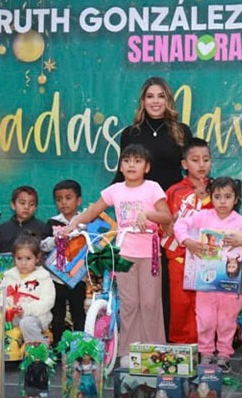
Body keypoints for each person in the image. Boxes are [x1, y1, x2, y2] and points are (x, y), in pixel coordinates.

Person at [63, 144, 173, 365]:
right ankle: (128, 352)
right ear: (121, 167)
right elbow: (93, 211)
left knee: (149, 303)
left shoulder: (152, 188)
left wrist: (147, 214)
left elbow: (166, 216)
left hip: (149, 256)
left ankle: (154, 352)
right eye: (127, 161)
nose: (132, 165)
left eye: (137, 161)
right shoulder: (115, 190)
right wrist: (73, 223)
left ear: (146, 167)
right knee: (129, 304)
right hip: (124, 255)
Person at [114, 77, 193, 336]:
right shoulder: (131, 133)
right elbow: (121, 175)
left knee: (171, 275)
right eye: (150, 96)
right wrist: (100, 206)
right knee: (142, 283)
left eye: (161, 96)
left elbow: (191, 167)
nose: (155, 101)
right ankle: (137, 342)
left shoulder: (181, 131)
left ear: (168, 100)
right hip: (140, 214)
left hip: (172, 213)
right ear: (143, 101)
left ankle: (168, 338)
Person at [174, 177, 242, 372]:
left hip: (230, 284)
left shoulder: (241, 222)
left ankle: (224, 354)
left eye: (228, 197)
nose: (222, 201)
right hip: (206, 282)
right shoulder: (202, 216)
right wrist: (187, 241)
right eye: (217, 196)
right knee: (205, 319)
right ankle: (205, 352)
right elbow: (180, 225)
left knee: (227, 320)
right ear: (211, 197)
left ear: (236, 199)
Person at [162, 137, 213, 343]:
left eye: (206, 159)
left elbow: (222, 218)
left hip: (208, 257)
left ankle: (206, 345)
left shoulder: (217, 189)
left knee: (206, 304)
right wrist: (166, 225)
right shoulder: (174, 191)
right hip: (180, 257)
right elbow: (165, 222)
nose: (201, 165)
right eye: (195, 160)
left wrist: (206, 199)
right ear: (184, 164)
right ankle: (182, 345)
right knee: (181, 302)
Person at [40, 179, 87, 348]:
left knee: (78, 312)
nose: (64, 202)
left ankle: (79, 347)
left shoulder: (84, 222)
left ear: (78, 200)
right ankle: (58, 347)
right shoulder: (52, 222)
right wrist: (55, 240)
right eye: (59, 199)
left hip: (78, 277)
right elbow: (42, 245)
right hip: (56, 278)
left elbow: (94, 243)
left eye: (68, 198)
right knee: (57, 314)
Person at [0, 234, 56, 343]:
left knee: (26, 323)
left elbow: (48, 302)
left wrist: (26, 309)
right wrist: (7, 308)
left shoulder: (43, 278)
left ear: (37, 258)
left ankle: (37, 348)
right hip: (11, 318)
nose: (23, 263)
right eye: (19, 258)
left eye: (28, 258)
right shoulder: (9, 276)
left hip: (36, 318)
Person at [0, 186, 49, 254]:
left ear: (36, 208)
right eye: (22, 203)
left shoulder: (42, 228)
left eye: (31, 204)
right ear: (13, 205)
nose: (26, 207)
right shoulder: (2, 229)